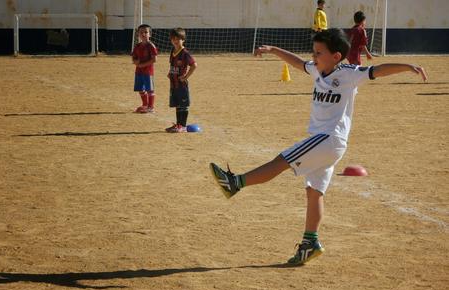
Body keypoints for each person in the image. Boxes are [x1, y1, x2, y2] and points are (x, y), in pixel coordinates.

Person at [210, 28, 427, 266]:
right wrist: (273, 50)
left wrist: (407, 66)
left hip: (328, 139)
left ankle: (235, 183)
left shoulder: (349, 74)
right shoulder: (317, 69)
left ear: (336, 56)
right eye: (314, 52)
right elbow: (297, 63)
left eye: (319, 53)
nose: (313, 57)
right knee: (314, 192)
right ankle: (310, 243)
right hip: (327, 143)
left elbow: (377, 71)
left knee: (281, 161)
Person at [165, 28, 197, 133]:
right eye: (173, 39)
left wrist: (186, 76)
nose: (175, 41)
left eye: (178, 39)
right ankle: (178, 125)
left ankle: (182, 126)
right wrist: (170, 73)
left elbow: (194, 65)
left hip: (182, 84)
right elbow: (172, 64)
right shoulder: (172, 51)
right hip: (173, 84)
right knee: (178, 105)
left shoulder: (185, 53)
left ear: (183, 39)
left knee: (183, 106)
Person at [132, 24, 158, 113]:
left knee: (150, 89)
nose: (143, 34)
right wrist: (135, 62)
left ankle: (151, 107)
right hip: (138, 71)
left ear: (150, 34)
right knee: (140, 89)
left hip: (148, 72)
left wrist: (143, 65)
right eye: (141, 32)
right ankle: (145, 105)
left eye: (146, 32)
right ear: (138, 34)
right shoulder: (137, 46)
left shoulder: (151, 46)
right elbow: (134, 57)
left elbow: (154, 59)